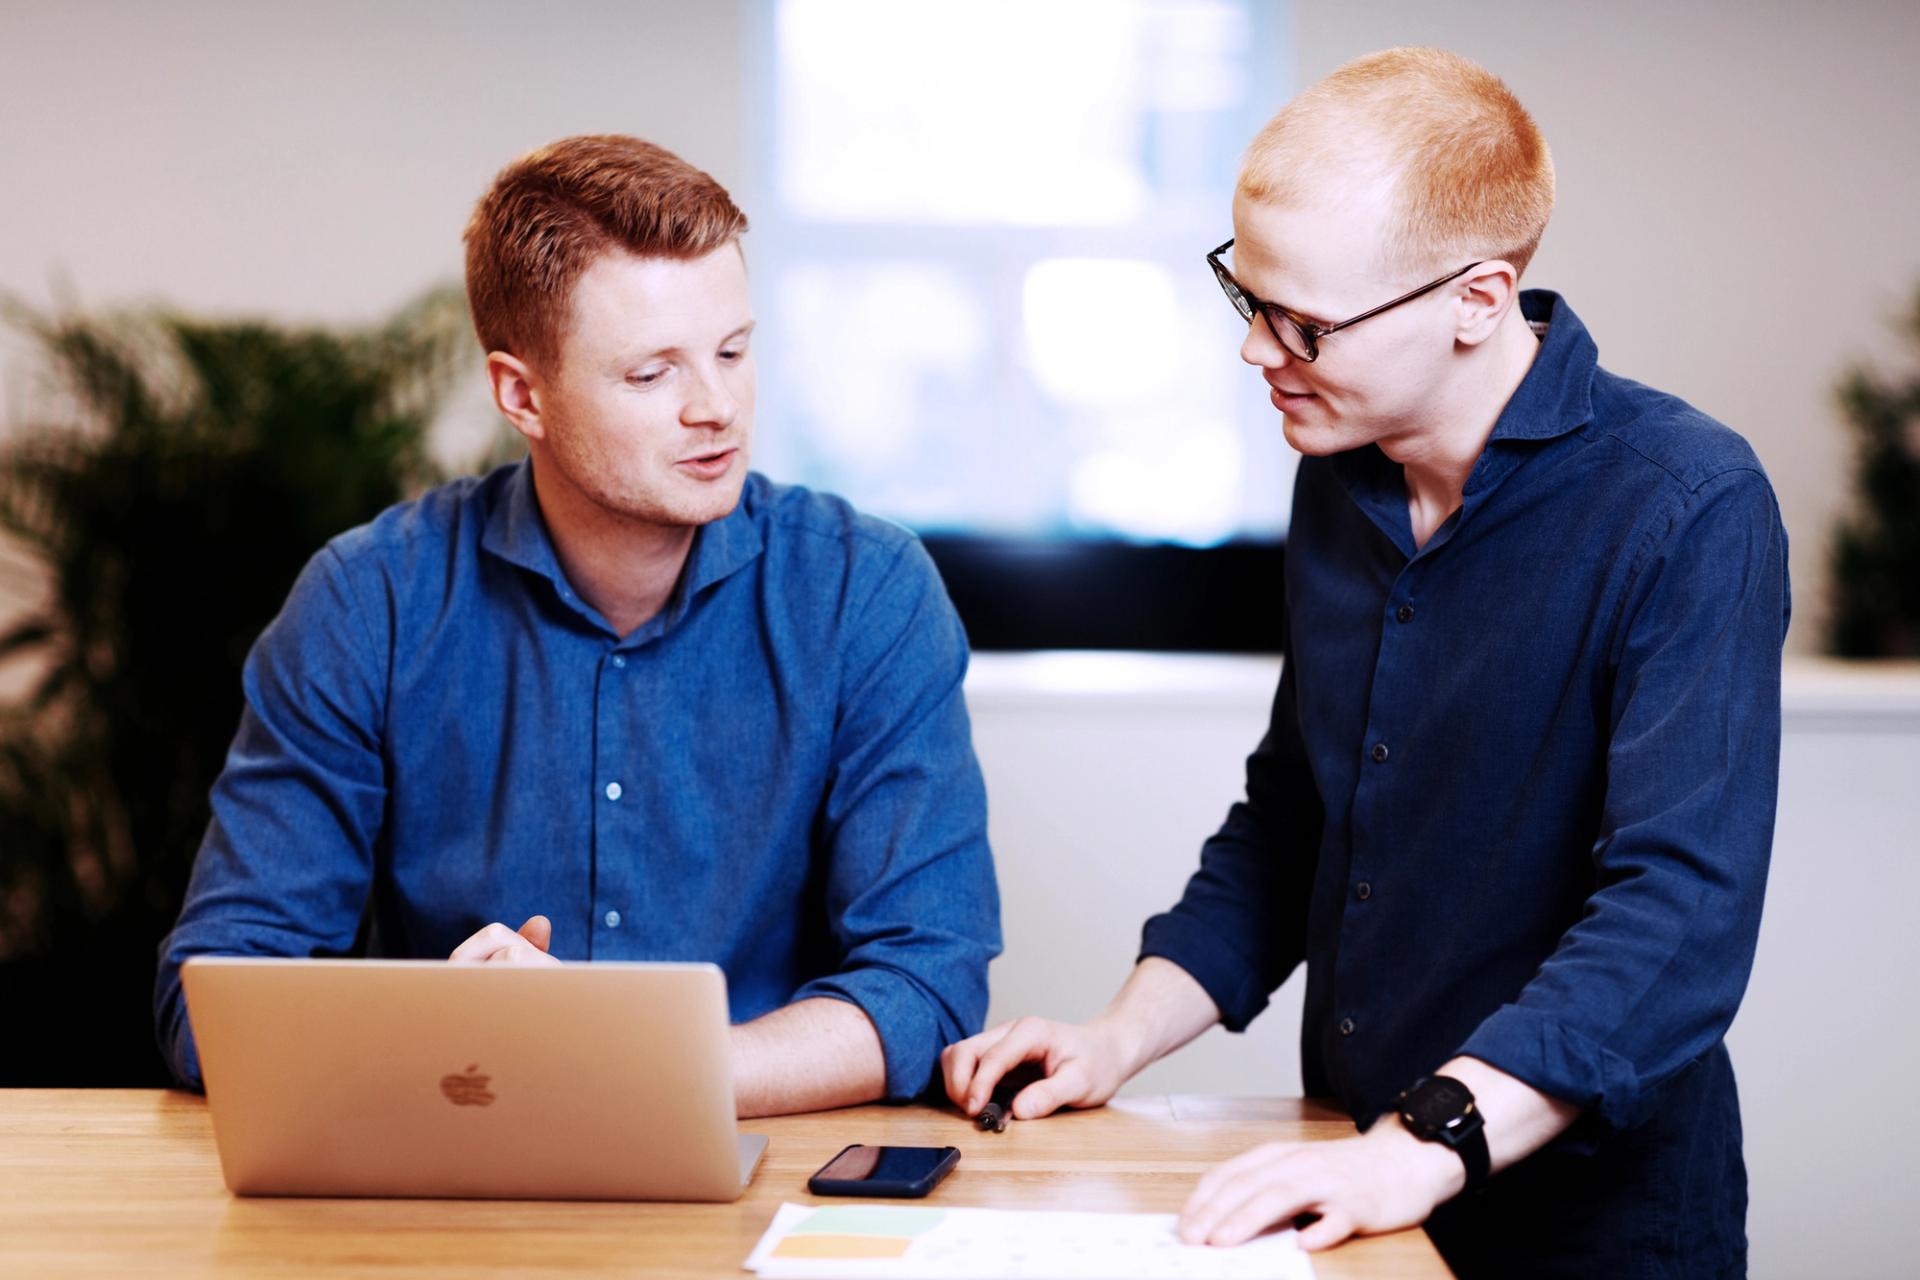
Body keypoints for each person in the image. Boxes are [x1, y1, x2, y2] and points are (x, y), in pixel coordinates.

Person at [944, 47, 1786, 1278]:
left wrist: (1419, 1142)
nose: (1257, 352)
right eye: (1247, 297)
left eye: (1305, 324)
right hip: (1360, 1173)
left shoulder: (1689, 504)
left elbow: (1680, 914)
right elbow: (1299, 816)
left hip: (1589, 1221)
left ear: (1477, 299)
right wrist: (1114, 1036)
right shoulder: (1339, 483)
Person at [155, 134, 1000, 1117]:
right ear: (523, 394)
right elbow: (212, 992)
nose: (716, 406)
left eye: (733, 351)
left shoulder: (865, 591)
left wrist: (630, 1068)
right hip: (456, 1159)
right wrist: (459, 1037)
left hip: (765, 1173)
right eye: (653, 375)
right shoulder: (368, 602)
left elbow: (927, 984)